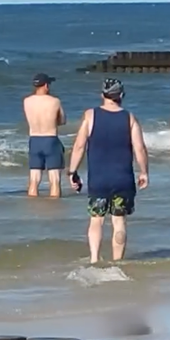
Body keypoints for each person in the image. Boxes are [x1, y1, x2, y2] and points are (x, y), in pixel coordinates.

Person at [66, 78, 150, 264]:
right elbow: (139, 148)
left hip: (99, 179)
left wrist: (72, 172)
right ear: (121, 95)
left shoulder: (90, 116)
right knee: (119, 221)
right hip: (123, 179)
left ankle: (95, 260)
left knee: (96, 220)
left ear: (102, 94)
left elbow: (79, 146)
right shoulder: (129, 118)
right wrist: (144, 172)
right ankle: (117, 261)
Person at [23, 73, 66, 197]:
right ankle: (54, 208)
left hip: (34, 139)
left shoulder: (27, 101)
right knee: (54, 179)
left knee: (34, 179)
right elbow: (62, 120)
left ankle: (32, 206)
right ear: (46, 85)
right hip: (50, 139)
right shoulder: (55, 101)